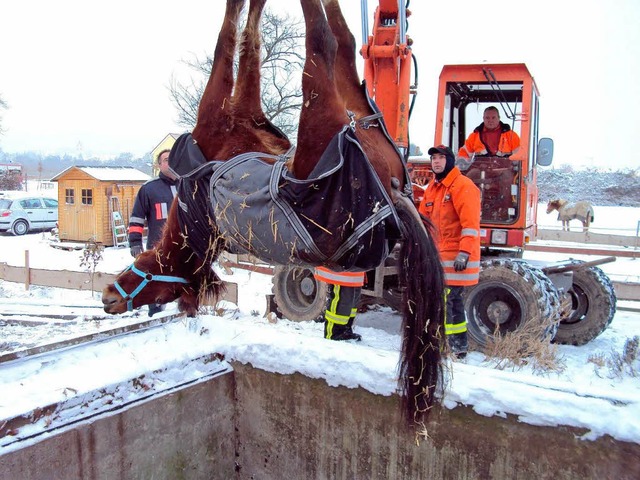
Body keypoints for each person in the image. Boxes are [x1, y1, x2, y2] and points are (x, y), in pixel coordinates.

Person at [418, 145, 481, 358]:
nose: (436, 162)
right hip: (438, 258)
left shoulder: (462, 186)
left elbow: (470, 224)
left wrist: (464, 252)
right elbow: (423, 223)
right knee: (448, 302)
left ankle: (452, 346)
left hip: (455, 258)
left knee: (448, 301)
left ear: (450, 161)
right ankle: (454, 346)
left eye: (441, 158)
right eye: (433, 158)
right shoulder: (432, 189)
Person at [128, 148, 178, 316]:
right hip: (158, 249)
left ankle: (188, 318)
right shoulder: (149, 189)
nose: (170, 163)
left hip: (184, 248)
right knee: (156, 286)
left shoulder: (187, 186)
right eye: (166, 160)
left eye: (173, 159)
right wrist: (135, 242)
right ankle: (155, 317)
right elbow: (137, 218)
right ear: (158, 165)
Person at [314, 267, 365, 341]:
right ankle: (333, 333)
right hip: (341, 269)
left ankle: (345, 329)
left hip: (353, 269)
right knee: (341, 301)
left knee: (350, 302)